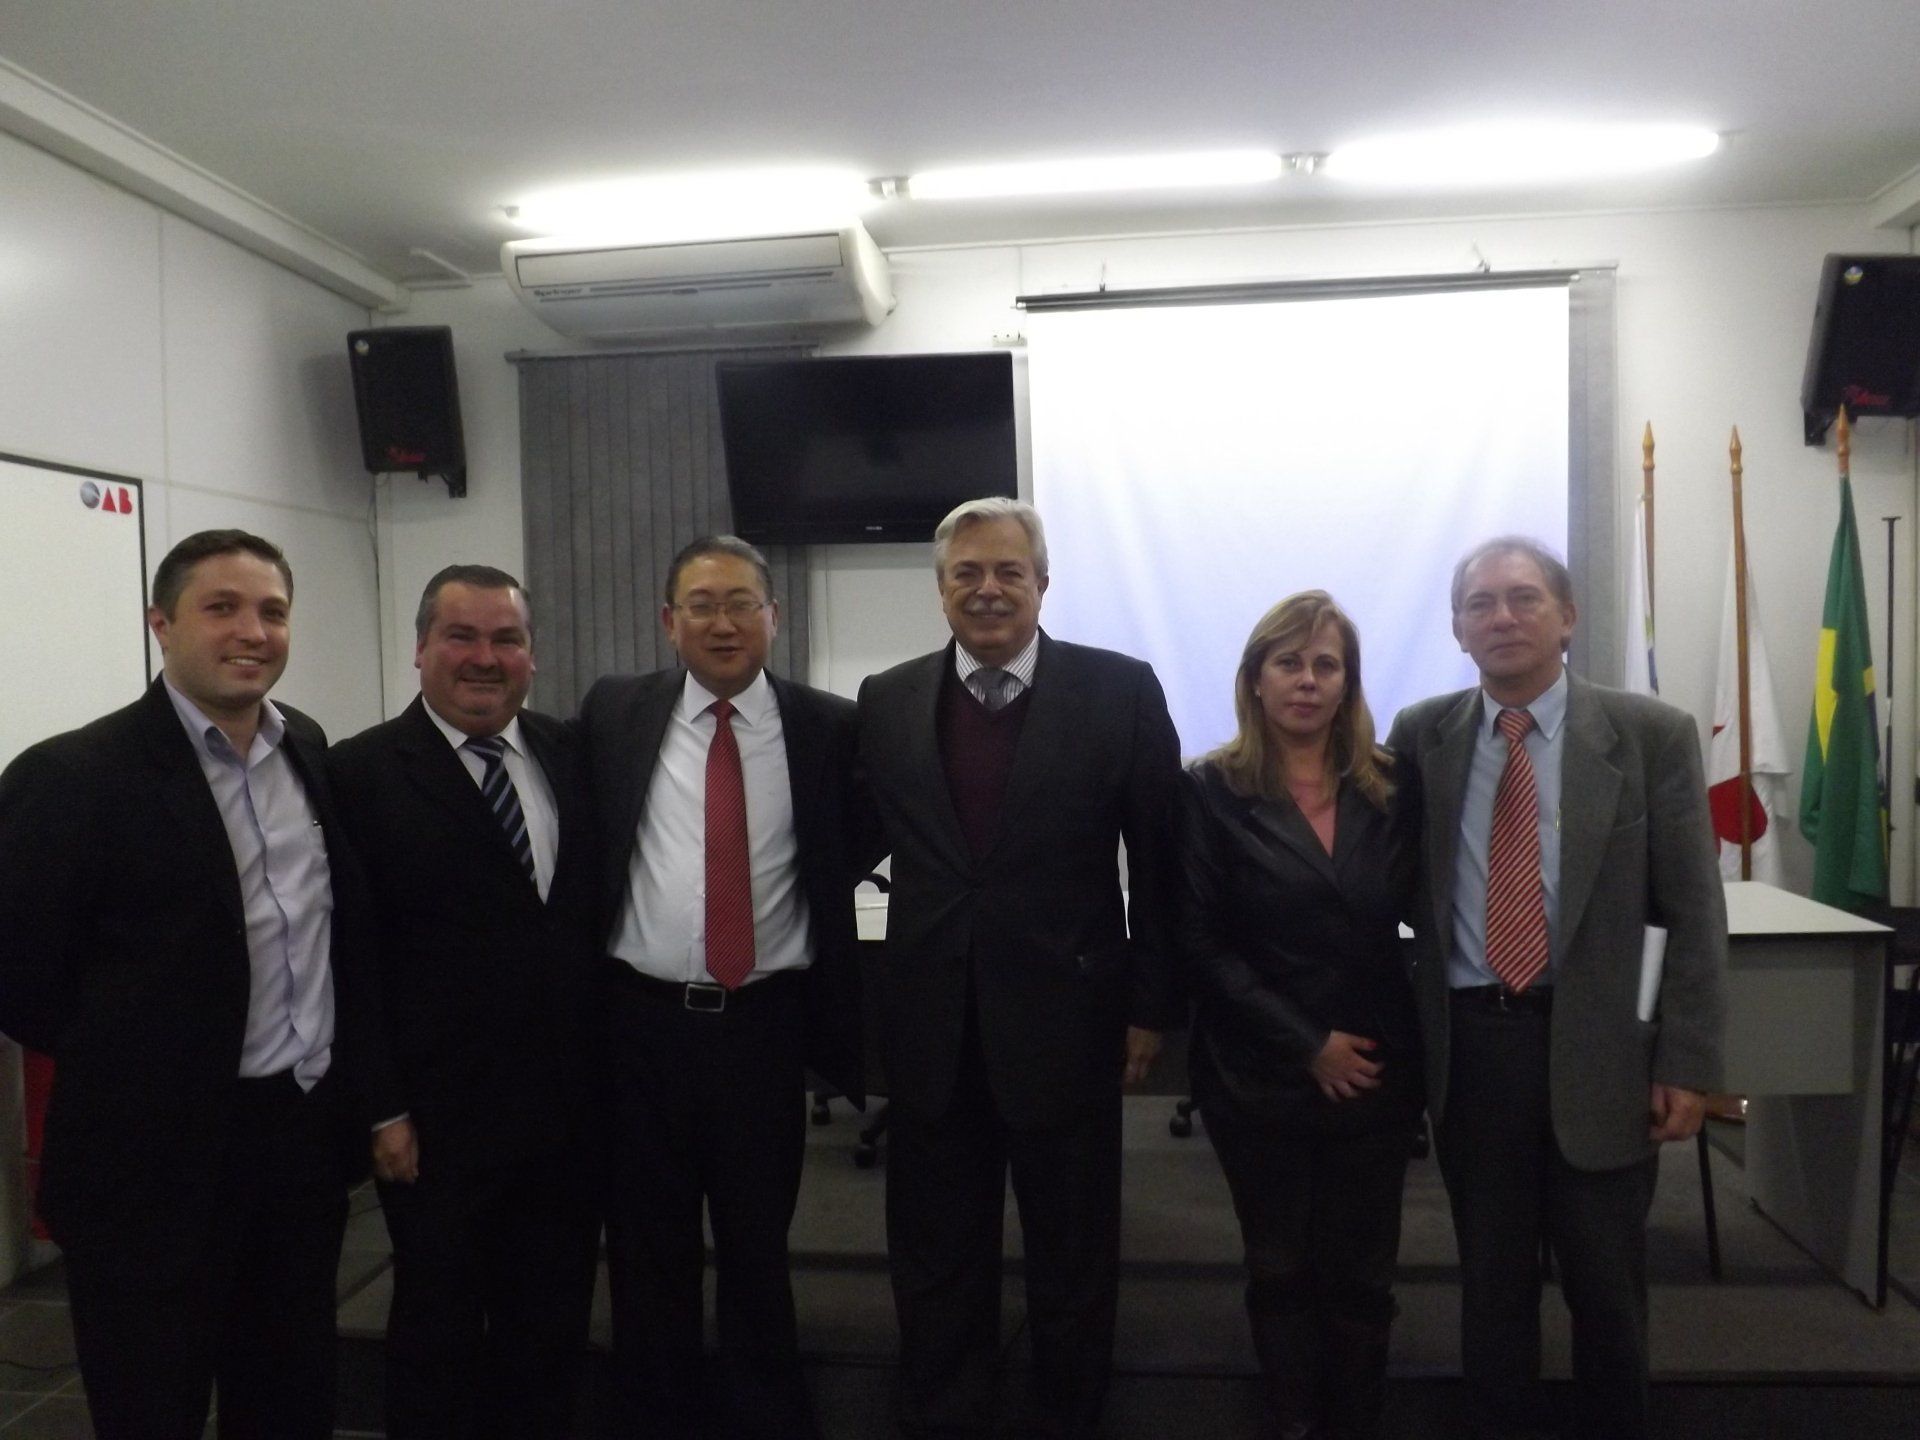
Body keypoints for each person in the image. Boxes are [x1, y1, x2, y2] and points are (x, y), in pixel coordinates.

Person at [0, 529, 382, 1439]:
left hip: (295, 1149)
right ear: (161, 624)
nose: (252, 631)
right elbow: (18, 977)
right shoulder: (71, 775)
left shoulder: (307, 748)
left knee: (288, 1398)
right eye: (222, 608)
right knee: (151, 1407)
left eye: (272, 611)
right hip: (148, 1166)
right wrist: (141, 1057)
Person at [1384, 537, 1726, 1440]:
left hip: (1603, 1053)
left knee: (1606, 1290)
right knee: (1491, 1288)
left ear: (1567, 617)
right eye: (1480, 603)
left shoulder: (1651, 735)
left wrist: (1687, 1062)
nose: (1502, 617)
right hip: (1474, 1049)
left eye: (1524, 598)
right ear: (1457, 629)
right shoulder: (1420, 736)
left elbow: (1694, 913)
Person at [857, 496, 1182, 1439]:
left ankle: (1069, 1415)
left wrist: (1151, 1007)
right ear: (941, 589)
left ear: (1043, 583)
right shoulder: (887, 698)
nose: (988, 590)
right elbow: (857, 846)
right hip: (932, 1028)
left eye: (1009, 572)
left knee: (1072, 1255)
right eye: (968, 573)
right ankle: (942, 1414)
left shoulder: (1119, 691)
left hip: (1070, 1024)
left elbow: (1160, 862)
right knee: (934, 1252)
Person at [577, 534, 865, 1440]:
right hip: (640, 1027)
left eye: (742, 602)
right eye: (701, 604)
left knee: (756, 1247)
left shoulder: (830, 729)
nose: (723, 622)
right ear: (669, 622)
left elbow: (855, 842)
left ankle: (764, 1418)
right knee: (645, 1250)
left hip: (762, 1031)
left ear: (774, 617)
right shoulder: (614, 712)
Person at [326, 565, 600, 1438]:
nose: (485, 657)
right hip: (436, 1125)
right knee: (436, 1335)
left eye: (506, 639)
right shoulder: (358, 773)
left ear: (531, 655)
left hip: (567, 1117)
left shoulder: (570, 754)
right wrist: (381, 1107)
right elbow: (351, 958)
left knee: (551, 1328)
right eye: (461, 636)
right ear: (420, 649)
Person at [1178, 591, 1420, 1440]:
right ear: (1255, 679)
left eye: (1326, 664)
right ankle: (1292, 1422)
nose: (1307, 681)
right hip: (1259, 1072)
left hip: (1376, 1072)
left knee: (1363, 1275)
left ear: (1348, 681)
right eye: (1288, 663)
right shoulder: (1209, 788)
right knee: (1279, 1266)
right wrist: (1307, 1043)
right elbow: (1199, 942)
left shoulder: (1393, 785)